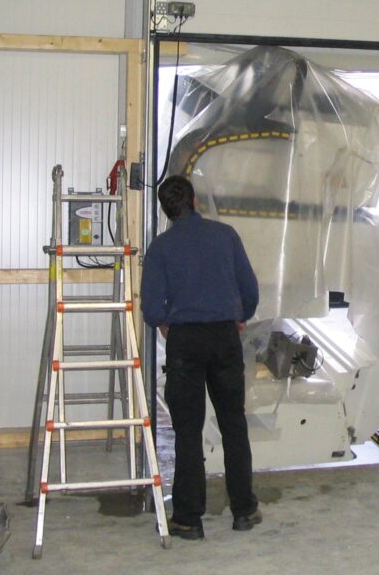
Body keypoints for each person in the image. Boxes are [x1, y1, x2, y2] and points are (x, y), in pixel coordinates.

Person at [141, 175, 262, 540]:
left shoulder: (161, 248)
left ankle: (188, 519)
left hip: (185, 344)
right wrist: (240, 315)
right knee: (233, 424)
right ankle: (244, 510)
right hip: (225, 337)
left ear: (166, 210)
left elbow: (150, 308)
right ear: (194, 201)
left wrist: (164, 323)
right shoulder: (225, 236)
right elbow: (250, 290)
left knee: (187, 431)